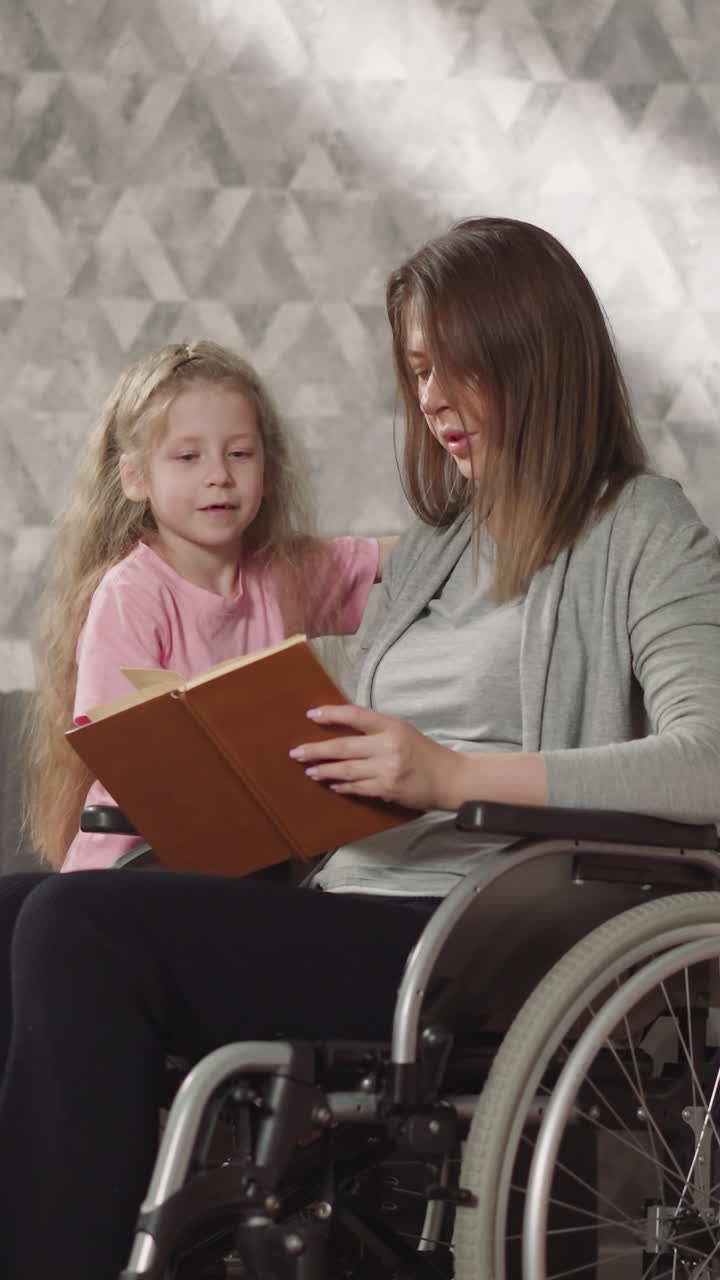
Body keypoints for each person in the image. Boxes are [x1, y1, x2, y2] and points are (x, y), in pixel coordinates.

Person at [1, 216, 720, 1280]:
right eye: (417, 369)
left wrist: (447, 773)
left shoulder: (642, 528)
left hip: (476, 936)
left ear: (536, 351)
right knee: (18, 902)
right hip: (349, 898)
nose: (429, 399)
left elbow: (705, 762)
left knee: (77, 924)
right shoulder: (434, 547)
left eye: (454, 366)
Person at [23, 339, 395, 871]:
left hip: (242, 862)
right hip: (134, 862)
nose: (218, 474)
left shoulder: (282, 575)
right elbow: (128, 755)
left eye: (239, 453)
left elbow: (409, 557)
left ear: (267, 473)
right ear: (135, 477)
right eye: (187, 456)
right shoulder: (131, 595)